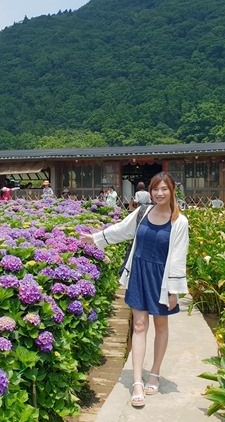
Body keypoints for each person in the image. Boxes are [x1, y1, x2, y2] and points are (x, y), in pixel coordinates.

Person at [80, 172, 189, 408]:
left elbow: (179, 257)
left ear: (172, 191)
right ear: (150, 191)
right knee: (139, 325)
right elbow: (122, 229)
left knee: (161, 325)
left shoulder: (179, 221)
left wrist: (174, 290)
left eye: (164, 189)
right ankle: (137, 381)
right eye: (155, 189)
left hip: (162, 278)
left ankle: (155, 372)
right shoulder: (143, 213)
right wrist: (95, 238)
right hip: (140, 273)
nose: (159, 194)